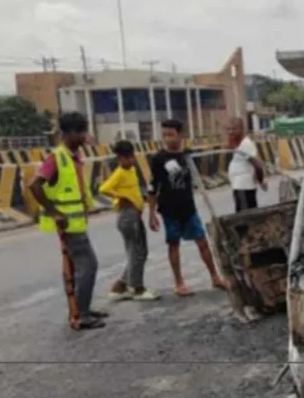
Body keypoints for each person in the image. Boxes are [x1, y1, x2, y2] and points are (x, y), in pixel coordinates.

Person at [29, 112, 107, 330]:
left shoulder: (73, 156)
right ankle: (81, 314)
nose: (85, 136)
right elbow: (34, 185)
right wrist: (54, 212)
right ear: (70, 133)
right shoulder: (58, 157)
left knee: (77, 267)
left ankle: (80, 309)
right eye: (82, 132)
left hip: (76, 222)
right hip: (69, 225)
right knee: (88, 265)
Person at [146, 119, 229, 296]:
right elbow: (153, 186)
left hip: (188, 207)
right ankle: (179, 282)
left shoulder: (188, 156)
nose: (168, 139)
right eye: (165, 135)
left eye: (171, 135)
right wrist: (151, 213)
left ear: (181, 135)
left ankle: (215, 277)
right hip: (169, 209)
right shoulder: (159, 159)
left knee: (202, 242)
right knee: (173, 244)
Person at [99, 140, 160, 302]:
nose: (131, 160)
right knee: (137, 252)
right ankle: (138, 288)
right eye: (127, 158)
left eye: (132, 156)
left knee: (138, 251)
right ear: (119, 158)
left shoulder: (131, 170)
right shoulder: (119, 173)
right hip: (127, 215)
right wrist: (122, 198)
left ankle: (120, 285)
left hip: (134, 214)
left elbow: (133, 189)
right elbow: (104, 188)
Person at [226, 117, 267, 212]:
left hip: (244, 188)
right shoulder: (238, 145)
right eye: (229, 129)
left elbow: (257, 165)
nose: (231, 132)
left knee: (245, 218)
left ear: (241, 129)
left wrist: (261, 181)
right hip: (239, 188)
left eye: (234, 129)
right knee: (243, 216)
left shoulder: (246, 144)